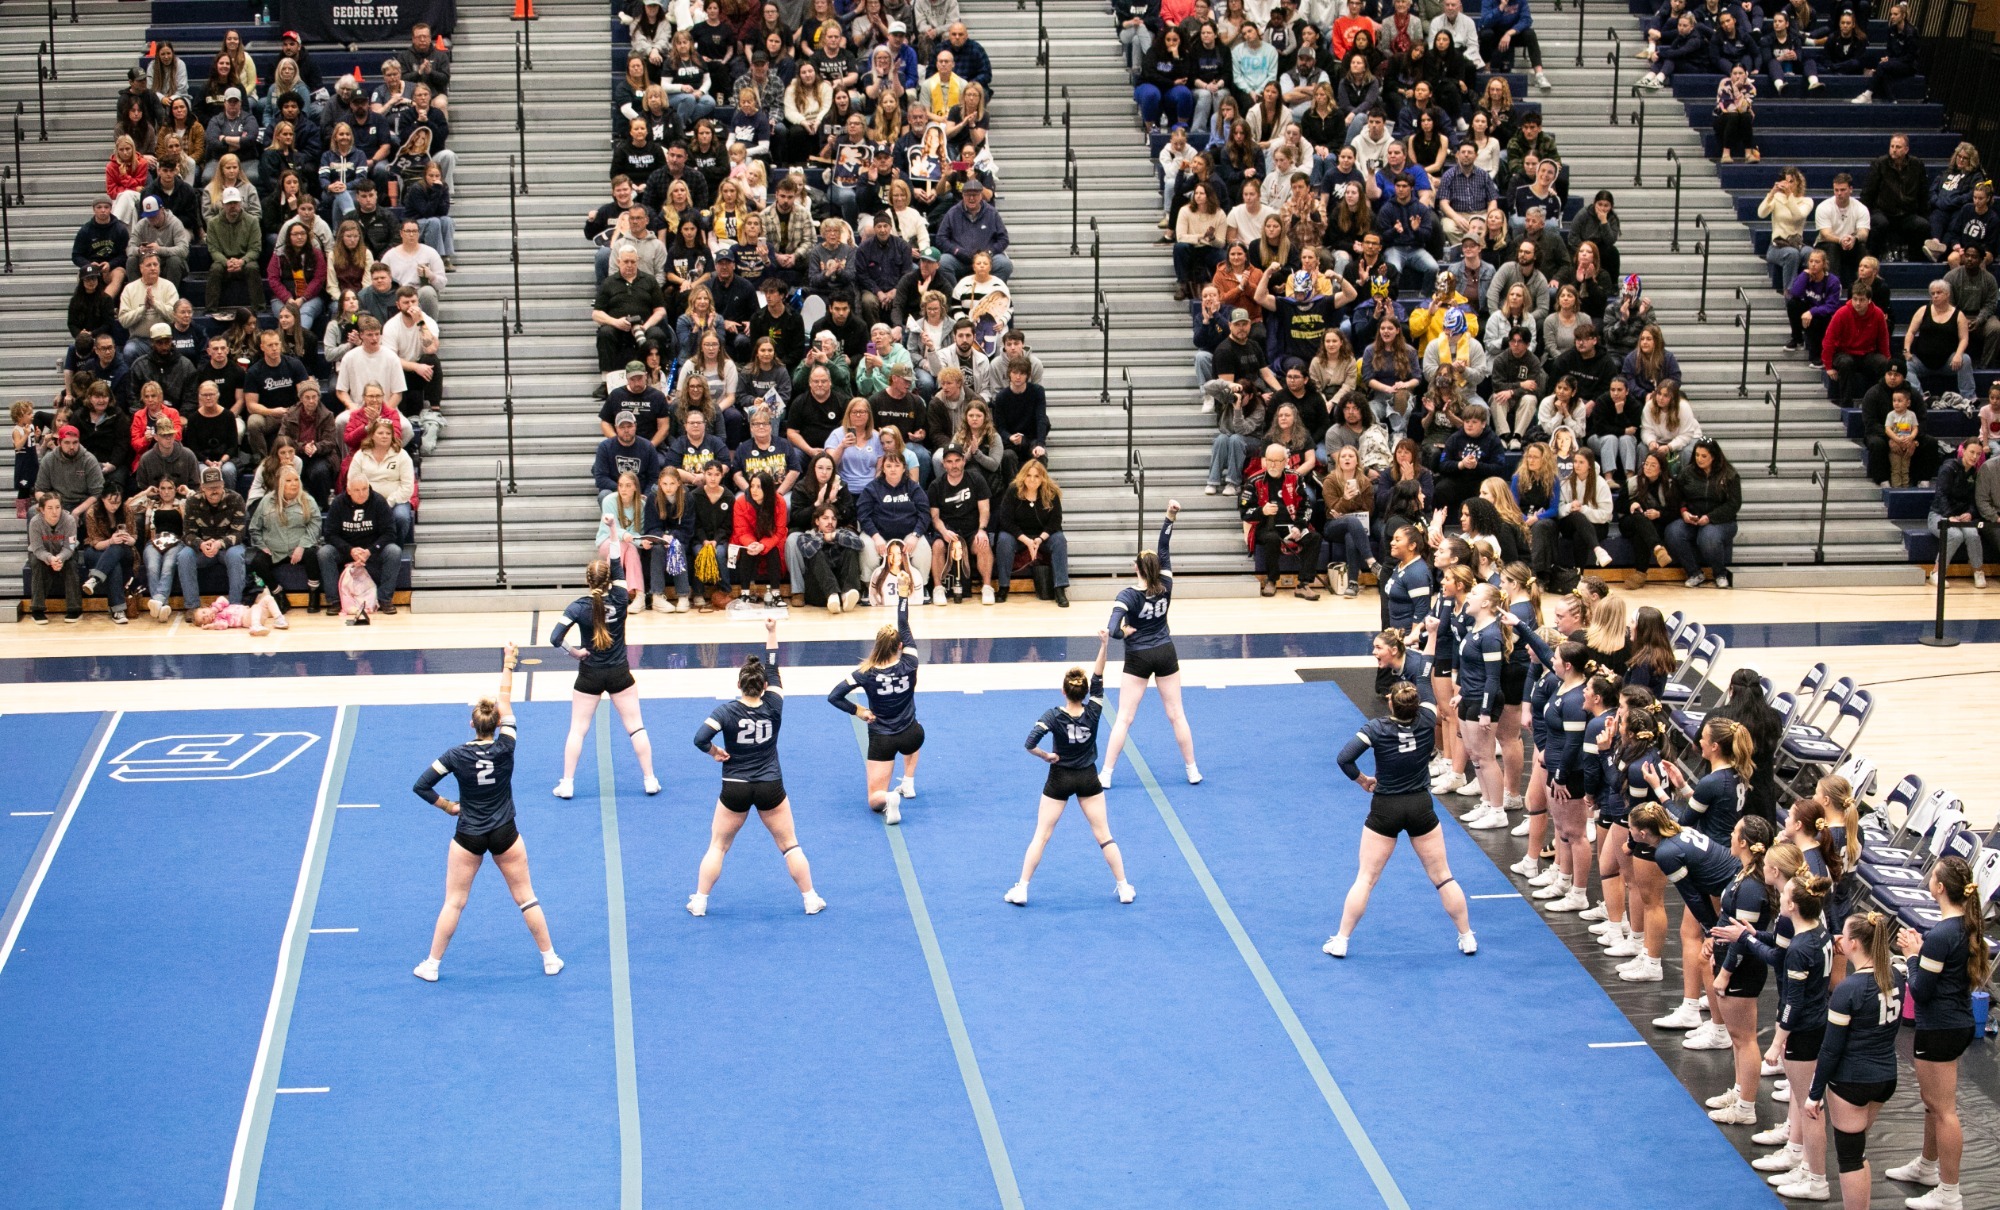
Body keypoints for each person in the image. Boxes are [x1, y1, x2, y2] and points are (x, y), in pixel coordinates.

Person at [410, 645, 564, 982]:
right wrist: (509, 662)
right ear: (497, 723)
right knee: (526, 898)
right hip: (505, 832)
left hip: (468, 834)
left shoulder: (454, 755)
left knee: (454, 902)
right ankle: (550, 958)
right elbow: (505, 700)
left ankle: (432, 965)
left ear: (471, 724)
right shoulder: (506, 744)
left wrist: (449, 806)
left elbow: (421, 786)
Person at [1325, 680, 1478, 957]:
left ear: (1390, 703)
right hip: (1420, 805)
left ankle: (1341, 940)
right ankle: (1467, 936)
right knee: (1443, 877)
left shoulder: (1375, 728)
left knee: (1366, 879)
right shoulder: (1428, 718)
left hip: (1386, 808)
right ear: (1415, 705)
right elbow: (1429, 689)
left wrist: (1361, 780)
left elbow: (1344, 758)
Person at [1714, 869, 1836, 1199]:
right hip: (1815, 1022)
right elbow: (1779, 949)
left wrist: (1777, 1043)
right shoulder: (1817, 934)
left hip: (1804, 1029)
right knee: (1803, 1100)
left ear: (1794, 906)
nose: (1778, 899)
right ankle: (1801, 1160)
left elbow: (1792, 1001)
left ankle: (1816, 1178)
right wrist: (1754, 935)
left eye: (1783, 897)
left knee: (1809, 1105)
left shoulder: (1800, 948)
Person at [690, 619, 824, 916]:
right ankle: (810, 897)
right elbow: (774, 667)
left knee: (718, 846)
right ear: (764, 686)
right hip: (769, 785)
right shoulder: (774, 704)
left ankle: (699, 901)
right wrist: (772, 633)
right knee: (789, 844)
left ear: (738, 685)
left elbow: (700, 738)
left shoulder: (725, 711)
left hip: (735, 786)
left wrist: (715, 752)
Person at [1886, 854, 1990, 1210]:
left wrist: (1913, 956)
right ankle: (1927, 1167)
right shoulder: (1961, 928)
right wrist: (1921, 951)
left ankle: (1949, 1192)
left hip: (1940, 1027)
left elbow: (1922, 989)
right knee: (1933, 1106)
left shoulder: (1942, 935)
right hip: (1953, 1023)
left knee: (1943, 1109)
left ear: (1940, 888)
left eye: (1932, 877)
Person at [1005, 631, 1133, 906]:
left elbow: (1029, 743)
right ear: (1085, 692)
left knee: (1041, 835)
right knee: (1104, 835)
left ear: (1064, 691)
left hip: (1060, 777)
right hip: (1088, 777)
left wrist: (1045, 755)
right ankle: (1123, 887)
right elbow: (1099, 676)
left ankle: (1023, 888)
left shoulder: (1053, 715)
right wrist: (1103, 645)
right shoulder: (1095, 710)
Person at [1804, 913, 1908, 1210]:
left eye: (1843, 936)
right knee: (1858, 1152)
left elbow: (1831, 1050)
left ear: (1852, 944)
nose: (1839, 940)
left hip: (1852, 1080)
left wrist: (1814, 1094)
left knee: (1850, 1157)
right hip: (1885, 1076)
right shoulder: (1894, 976)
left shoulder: (1848, 990)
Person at [1097, 504, 1201, 787]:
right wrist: (1171, 516)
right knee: (1176, 714)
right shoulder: (1166, 584)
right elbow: (1164, 546)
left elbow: (1111, 628)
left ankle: (1106, 773)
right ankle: (1192, 769)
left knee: (1125, 718)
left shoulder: (1128, 595)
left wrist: (1123, 634)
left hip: (1139, 657)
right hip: (1166, 651)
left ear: (1136, 569)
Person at [549, 558, 661, 801]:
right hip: (619, 673)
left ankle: (567, 783)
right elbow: (618, 566)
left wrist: (575, 653)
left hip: (590, 674)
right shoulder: (621, 599)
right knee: (636, 727)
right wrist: (613, 532)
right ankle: (650, 779)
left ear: (587, 581)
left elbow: (555, 638)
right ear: (611, 580)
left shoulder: (578, 607)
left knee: (577, 730)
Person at [828, 582, 925, 824]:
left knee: (874, 800)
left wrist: (859, 711)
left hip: (883, 738)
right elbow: (904, 624)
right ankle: (909, 781)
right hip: (912, 734)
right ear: (900, 647)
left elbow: (834, 696)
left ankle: (890, 798)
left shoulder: (865, 672)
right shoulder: (910, 661)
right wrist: (903, 594)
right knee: (915, 726)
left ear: (876, 645)